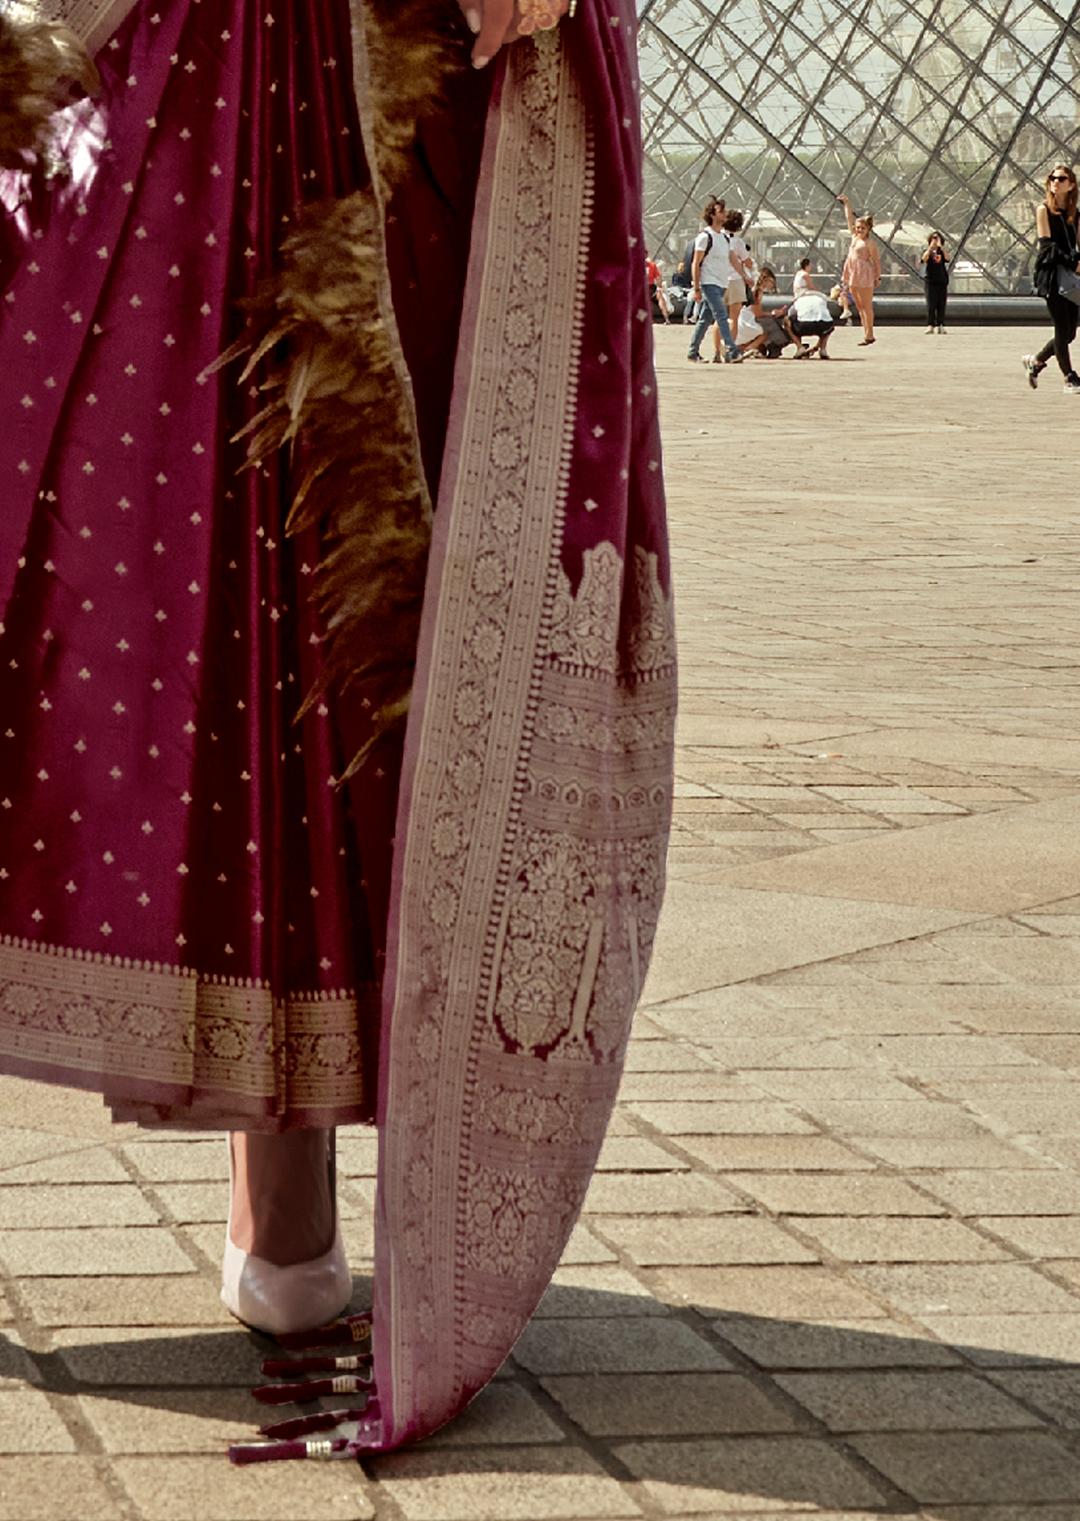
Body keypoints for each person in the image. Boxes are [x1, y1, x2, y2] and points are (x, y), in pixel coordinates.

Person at [0, 0, 675, 1457]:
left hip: (210, 65)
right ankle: (286, 1206)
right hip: (377, 71)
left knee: (170, 573)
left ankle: (286, 1199)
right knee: (329, 603)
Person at [1024, 165, 1080, 394]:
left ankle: (1036, 360)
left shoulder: (1075, 214)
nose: (1055, 182)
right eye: (1052, 178)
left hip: (1072, 276)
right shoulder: (1043, 210)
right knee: (1061, 328)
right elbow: (1046, 246)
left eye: (1061, 178)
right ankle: (1070, 377)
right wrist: (1073, 262)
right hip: (1051, 275)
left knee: (1070, 332)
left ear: (1071, 185)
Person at [687, 197, 743, 363]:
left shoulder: (725, 238)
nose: (725, 214)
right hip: (709, 281)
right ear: (712, 215)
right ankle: (732, 350)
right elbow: (696, 263)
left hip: (721, 282)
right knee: (721, 314)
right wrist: (696, 288)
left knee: (705, 319)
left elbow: (733, 259)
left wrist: (745, 276)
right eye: (721, 211)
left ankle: (693, 351)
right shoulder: (704, 237)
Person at [837, 193, 881, 345]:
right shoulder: (855, 237)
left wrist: (877, 277)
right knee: (859, 305)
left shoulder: (870, 243)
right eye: (858, 228)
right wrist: (847, 203)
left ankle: (870, 334)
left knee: (867, 305)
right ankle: (866, 333)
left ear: (868, 229)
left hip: (864, 273)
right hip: (853, 272)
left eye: (862, 228)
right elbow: (849, 218)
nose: (859, 230)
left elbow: (876, 262)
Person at [736, 267, 798, 356]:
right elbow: (758, 314)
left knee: (763, 331)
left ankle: (746, 348)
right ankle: (749, 349)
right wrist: (772, 314)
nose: (772, 285)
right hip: (747, 321)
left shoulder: (753, 289)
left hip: (744, 318)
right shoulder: (757, 292)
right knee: (767, 332)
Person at [721, 209, 753, 344]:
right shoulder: (738, 242)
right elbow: (748, 262)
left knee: (720, 318)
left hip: (719, 279)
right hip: (735, 280)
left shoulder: (716, 238)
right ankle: (731, 348)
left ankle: (717, 349)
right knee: (734, 318)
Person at [788, 287, 835, 357]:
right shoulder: (821, 300)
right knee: (826, 321)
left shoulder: (799, 300)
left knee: (787, 320)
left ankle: (800, 347)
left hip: (803, 326)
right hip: (822, 326)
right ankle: (823, 349)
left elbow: (790, 314)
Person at [920, 232, 950, 333]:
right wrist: (930, 248)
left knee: (941, 303)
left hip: (942, 280)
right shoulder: (927, 251)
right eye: (933, 238)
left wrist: (941, 247)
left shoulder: (942, 252)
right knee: (931, 303)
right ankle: (930, 324)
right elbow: (923, 259)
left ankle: (941, 324)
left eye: (937, 238)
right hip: (930, 280)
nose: (935, 240)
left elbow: (947, 258)